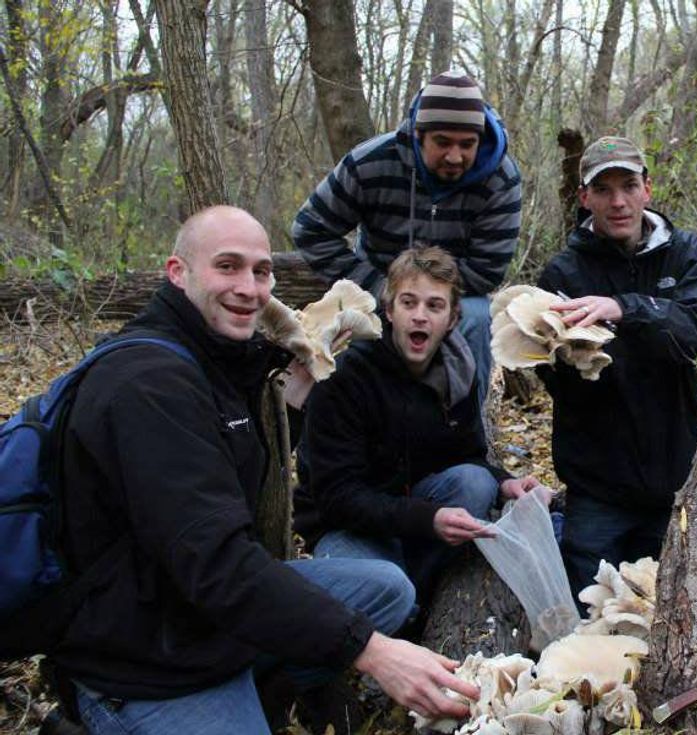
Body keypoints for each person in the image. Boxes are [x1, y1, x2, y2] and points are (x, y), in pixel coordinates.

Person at [51, 206, 478, 734]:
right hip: (141, 651)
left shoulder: (217, 358)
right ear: (177, 272)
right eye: (227, 267)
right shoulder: (147, 384)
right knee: (356, 629)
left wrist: (291, 401)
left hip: (204, 614)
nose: (249, 288)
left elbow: (241, 485)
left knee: (387, 590)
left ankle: (264, 680)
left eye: (261, 271)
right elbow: (217, 559)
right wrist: (371, 650)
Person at [536, 136, 697, 605]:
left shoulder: (684, 255)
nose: (617, 201)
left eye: (628, 185)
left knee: (666, 611)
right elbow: (550, 373)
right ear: (584, 198)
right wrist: (570, 357)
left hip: (674, 478)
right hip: (597, 484)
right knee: (589, 611)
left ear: (648, 188)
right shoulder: (564, 273)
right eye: (603, 190)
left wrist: (626, 308)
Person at [295, 245, 538, 607]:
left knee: (475, 482)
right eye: (408, 303)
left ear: (453, 318)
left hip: (414, 515)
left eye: (434, 306)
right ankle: (406, 601)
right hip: (348, 527)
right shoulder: (347, 373)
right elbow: (336, 497)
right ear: (389, 310)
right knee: (389, 587)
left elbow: (467, 456)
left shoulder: (458, 372)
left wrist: (506, 482)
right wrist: (428, 519)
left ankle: (421, 595)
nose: (420, 316)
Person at [291, 70, 522, 405]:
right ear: (419, 134)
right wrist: (380, 289)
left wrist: (429, 300)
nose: (455, 156)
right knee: (351, 323)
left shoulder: (501, 178)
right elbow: (311, 228)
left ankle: (465, 425)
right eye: (442, 142)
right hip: (376, 286)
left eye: (467, 144)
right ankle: (356, 424)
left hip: (456, 294)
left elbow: (488, 269)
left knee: (476, 318)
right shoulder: (371, 162)